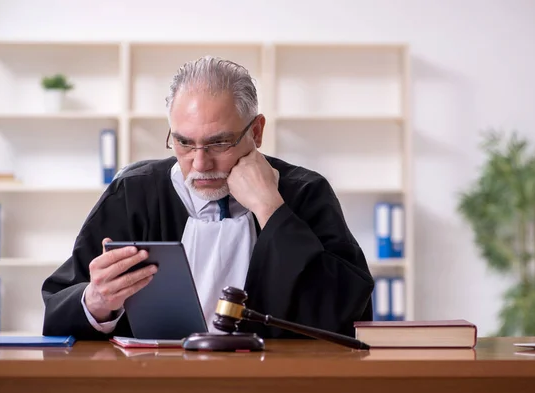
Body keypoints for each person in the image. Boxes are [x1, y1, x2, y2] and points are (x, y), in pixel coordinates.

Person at [41, 56, 374, 340]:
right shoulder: (134, 193)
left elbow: (345, 317)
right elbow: (57, 310)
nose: (199, 164)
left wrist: (271, 210)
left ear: (256, 132)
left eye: (219, 143)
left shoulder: (305, 193)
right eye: (184, 143)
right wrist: (97, 301)